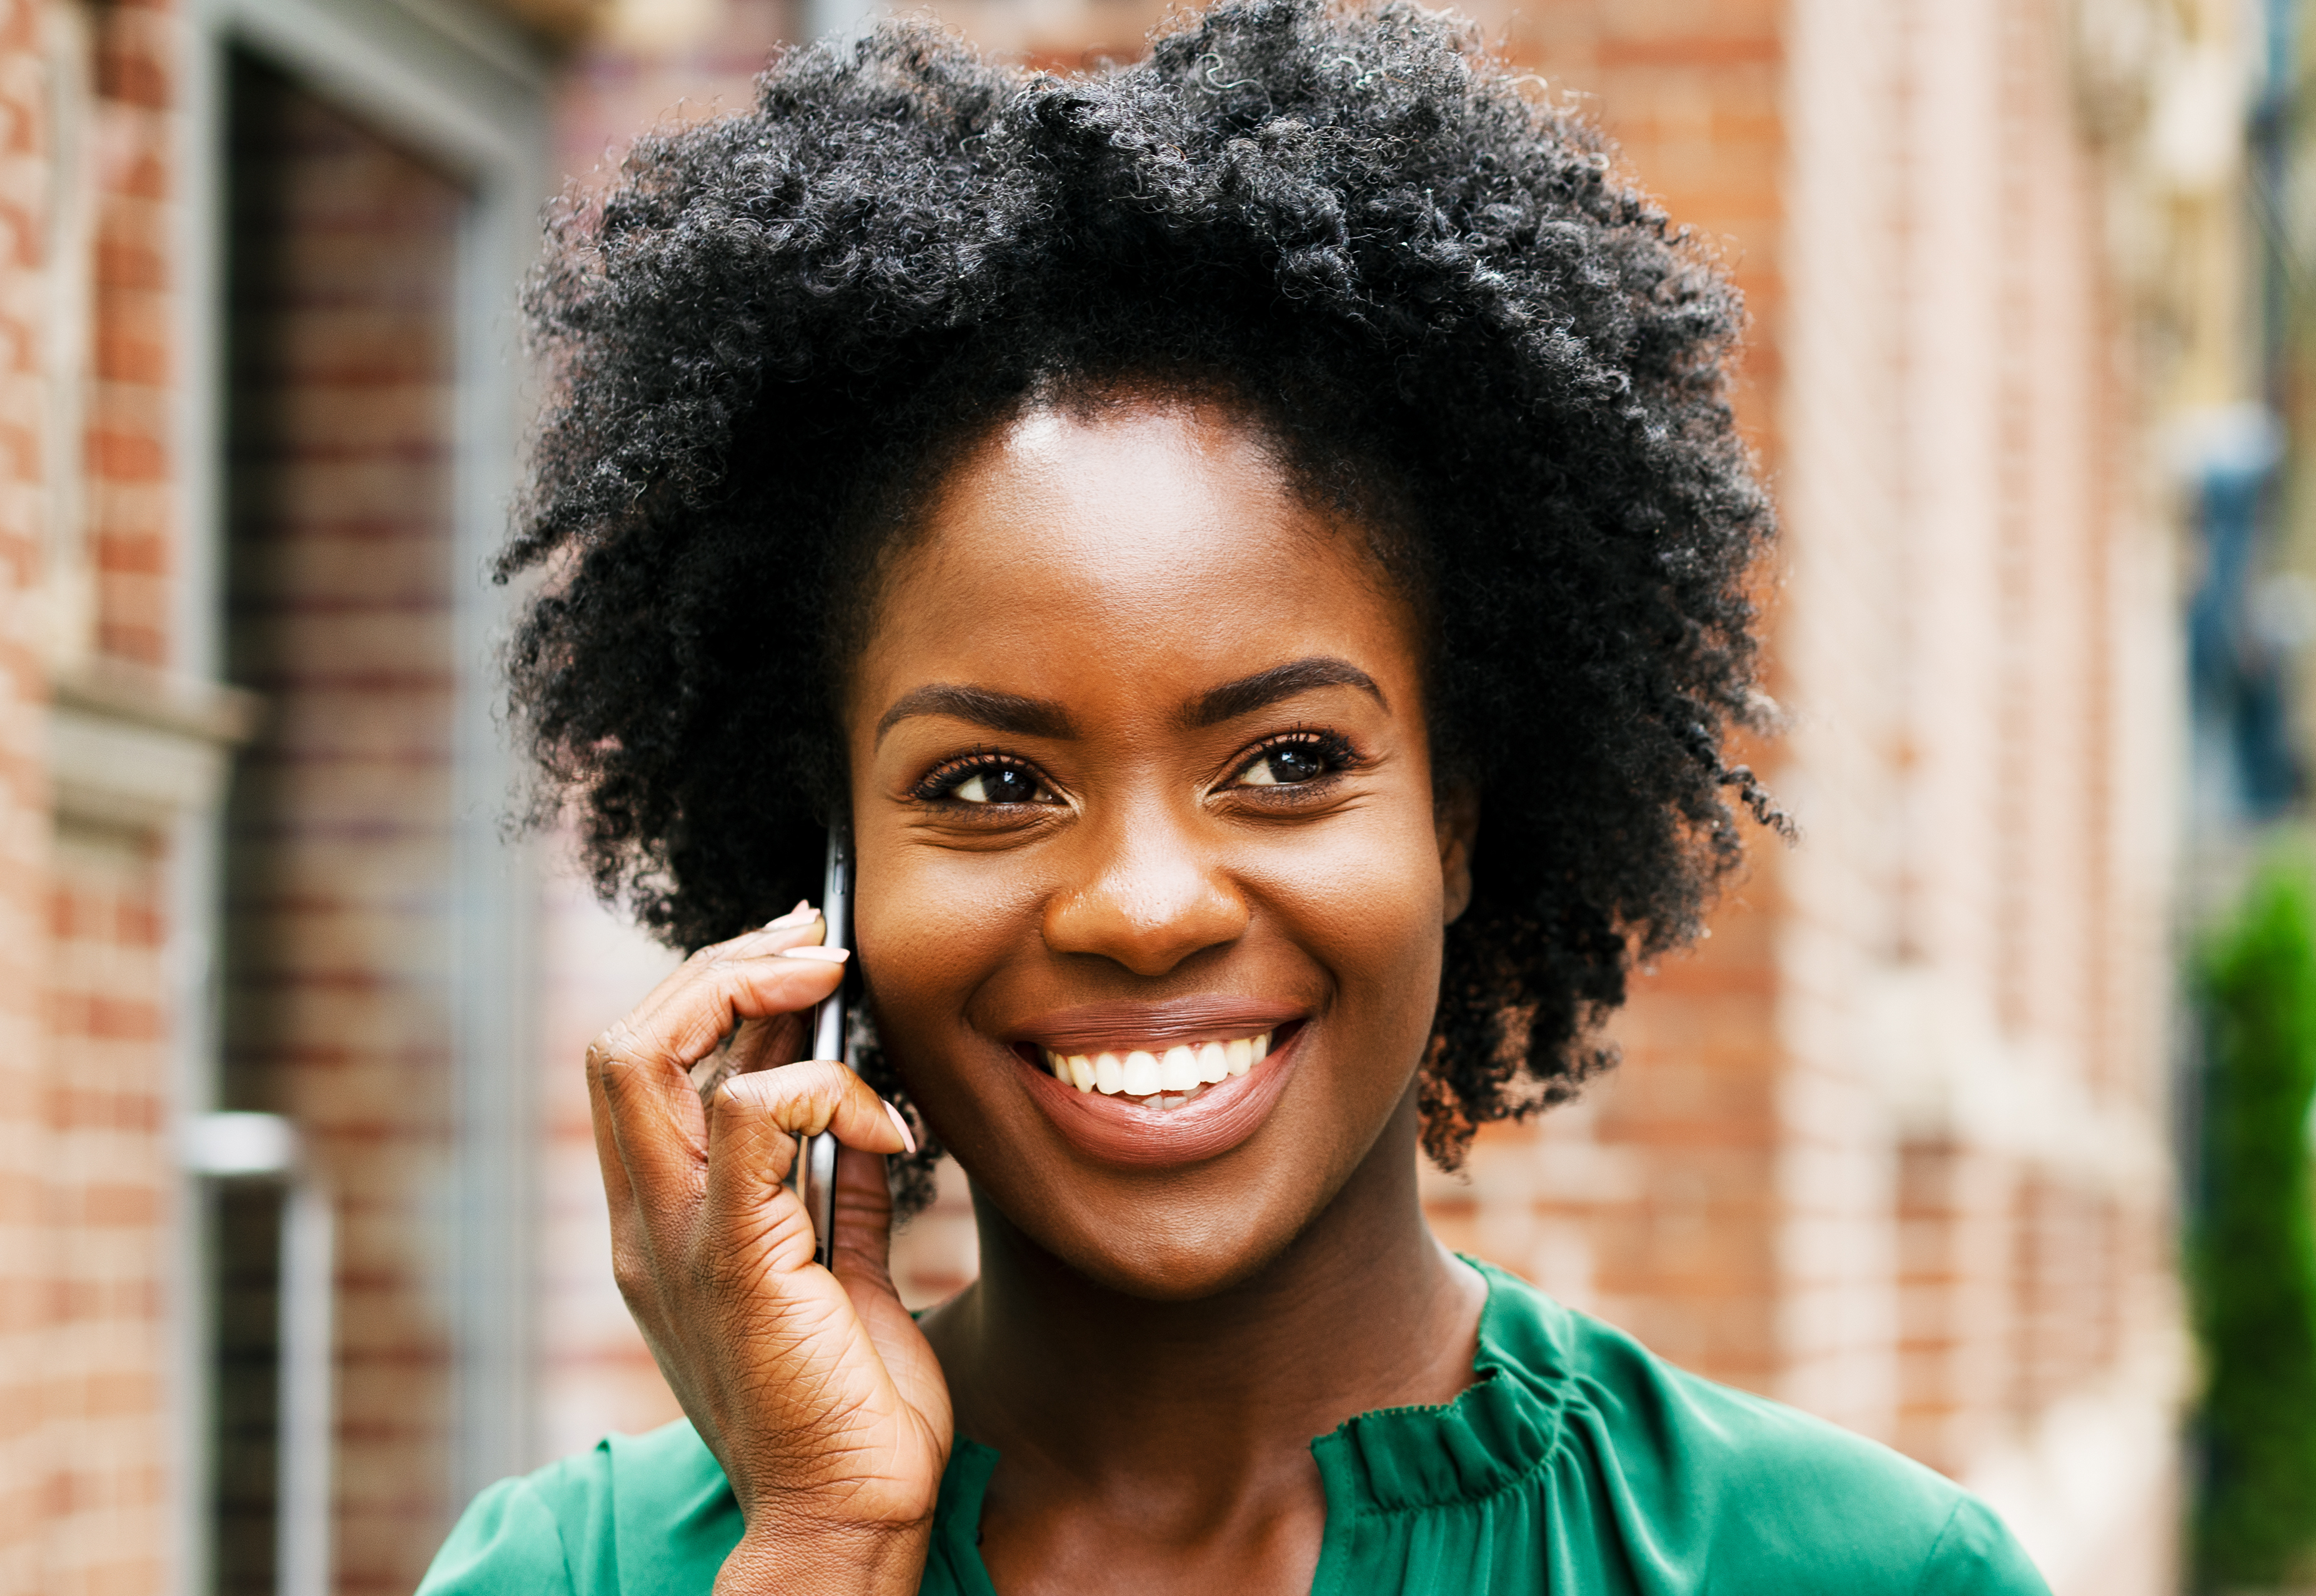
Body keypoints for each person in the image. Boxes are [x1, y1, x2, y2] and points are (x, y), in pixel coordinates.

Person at [419, 2, 2050, 1590]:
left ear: (1456, 819)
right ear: (827, 878)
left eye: (1287, 760)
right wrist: (829, 1541)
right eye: (991, 780)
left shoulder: (1852, 1568)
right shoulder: (579, 1570)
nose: (1143, 904)